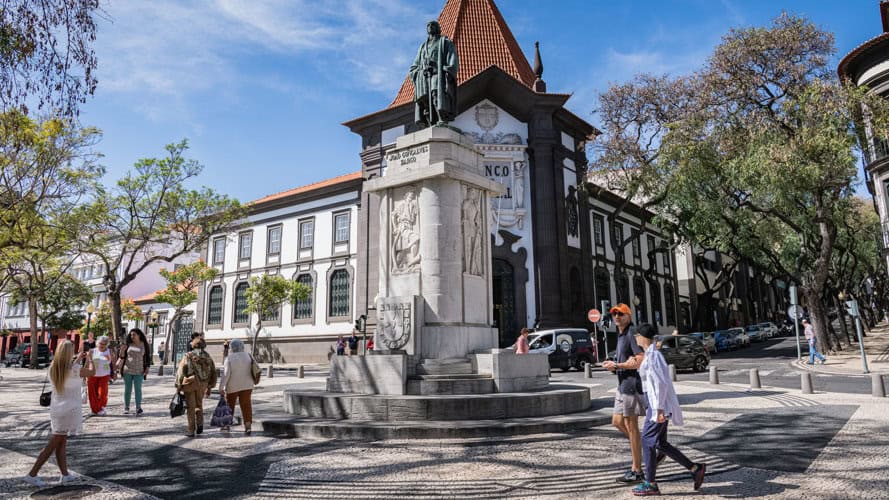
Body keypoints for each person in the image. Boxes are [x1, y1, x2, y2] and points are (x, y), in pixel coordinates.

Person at [632, 323, 706, 496]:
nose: (635, 338)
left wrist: (658, 410)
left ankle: (650, 483)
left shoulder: (654, 356)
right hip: (655, 403)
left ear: (643, 337)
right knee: (659, 443)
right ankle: (695, 468)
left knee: (647, 440)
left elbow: (660, 384)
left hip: (658, 404)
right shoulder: (650, 355)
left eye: (637, 335)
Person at [23, 341, 94, 487]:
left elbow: (68, 372)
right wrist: (90, 358)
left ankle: (65, 474)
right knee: (54, 443)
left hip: (57, 409)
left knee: (61, 442)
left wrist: (79, 359)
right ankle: (32, 473)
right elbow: (92, 372)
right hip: (70, 409)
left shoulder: (53, 367)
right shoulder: (74, 369)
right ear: (69, 353)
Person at [602, 303, 647, 483]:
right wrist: (613, 365)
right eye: (614, 314)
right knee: (617, 422)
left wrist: (618, 365)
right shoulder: (621, 335)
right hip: (622, 386)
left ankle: (637, 470)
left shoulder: (631, 333)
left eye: (620, 314)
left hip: (631, 386)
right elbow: (624, 359)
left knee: (631, 426)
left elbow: (640, 360)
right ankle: (648, 447)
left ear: (628, 315)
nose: (616, 317)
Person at [175, 338, 217, 437]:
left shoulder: (188, 356)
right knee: (199, 405)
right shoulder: (207, 357)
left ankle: (191, 429)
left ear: (193, 345)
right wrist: (210, 385)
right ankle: (200, 424)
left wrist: (178, 385)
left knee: (190, 407)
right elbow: (213, 372)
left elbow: (181, 371)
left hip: (191, 383)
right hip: (203, 384)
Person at [220, 339, 255, 435]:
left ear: (232, 347)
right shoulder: (248, 356)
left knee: (229, 406)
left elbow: (226, 374)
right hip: (247, 385)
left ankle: (226, 425)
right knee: (246, 405)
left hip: (232, 386)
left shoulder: (229, 358)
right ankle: (248, 426)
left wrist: (221, 387)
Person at [120, 328, 150, 415]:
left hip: (139, 370)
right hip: (127, 370)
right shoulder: (128, 344)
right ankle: (126, 407)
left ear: (139, 335)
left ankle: (138, 407)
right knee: (127, 389)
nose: (132, 336)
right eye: (131, 335)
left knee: (138, 389)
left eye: (134, 335)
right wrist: (122, 350)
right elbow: (122, 356)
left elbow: (148, 356)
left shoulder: (144, 344)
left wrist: (147, 367)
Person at [87, 336, 116, 416]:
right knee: (92, 393)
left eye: (104, 344)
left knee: (102, 393)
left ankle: (100, 408)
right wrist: (85, 374)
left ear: (107, 344)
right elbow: (87, 363)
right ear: (97, 343)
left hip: (104, 375)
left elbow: (113, 363)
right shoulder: (92, 351)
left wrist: (115, 373)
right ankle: (94, 410)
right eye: (100, 343)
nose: (102, 345)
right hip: (92, 374)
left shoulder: (109, 351)